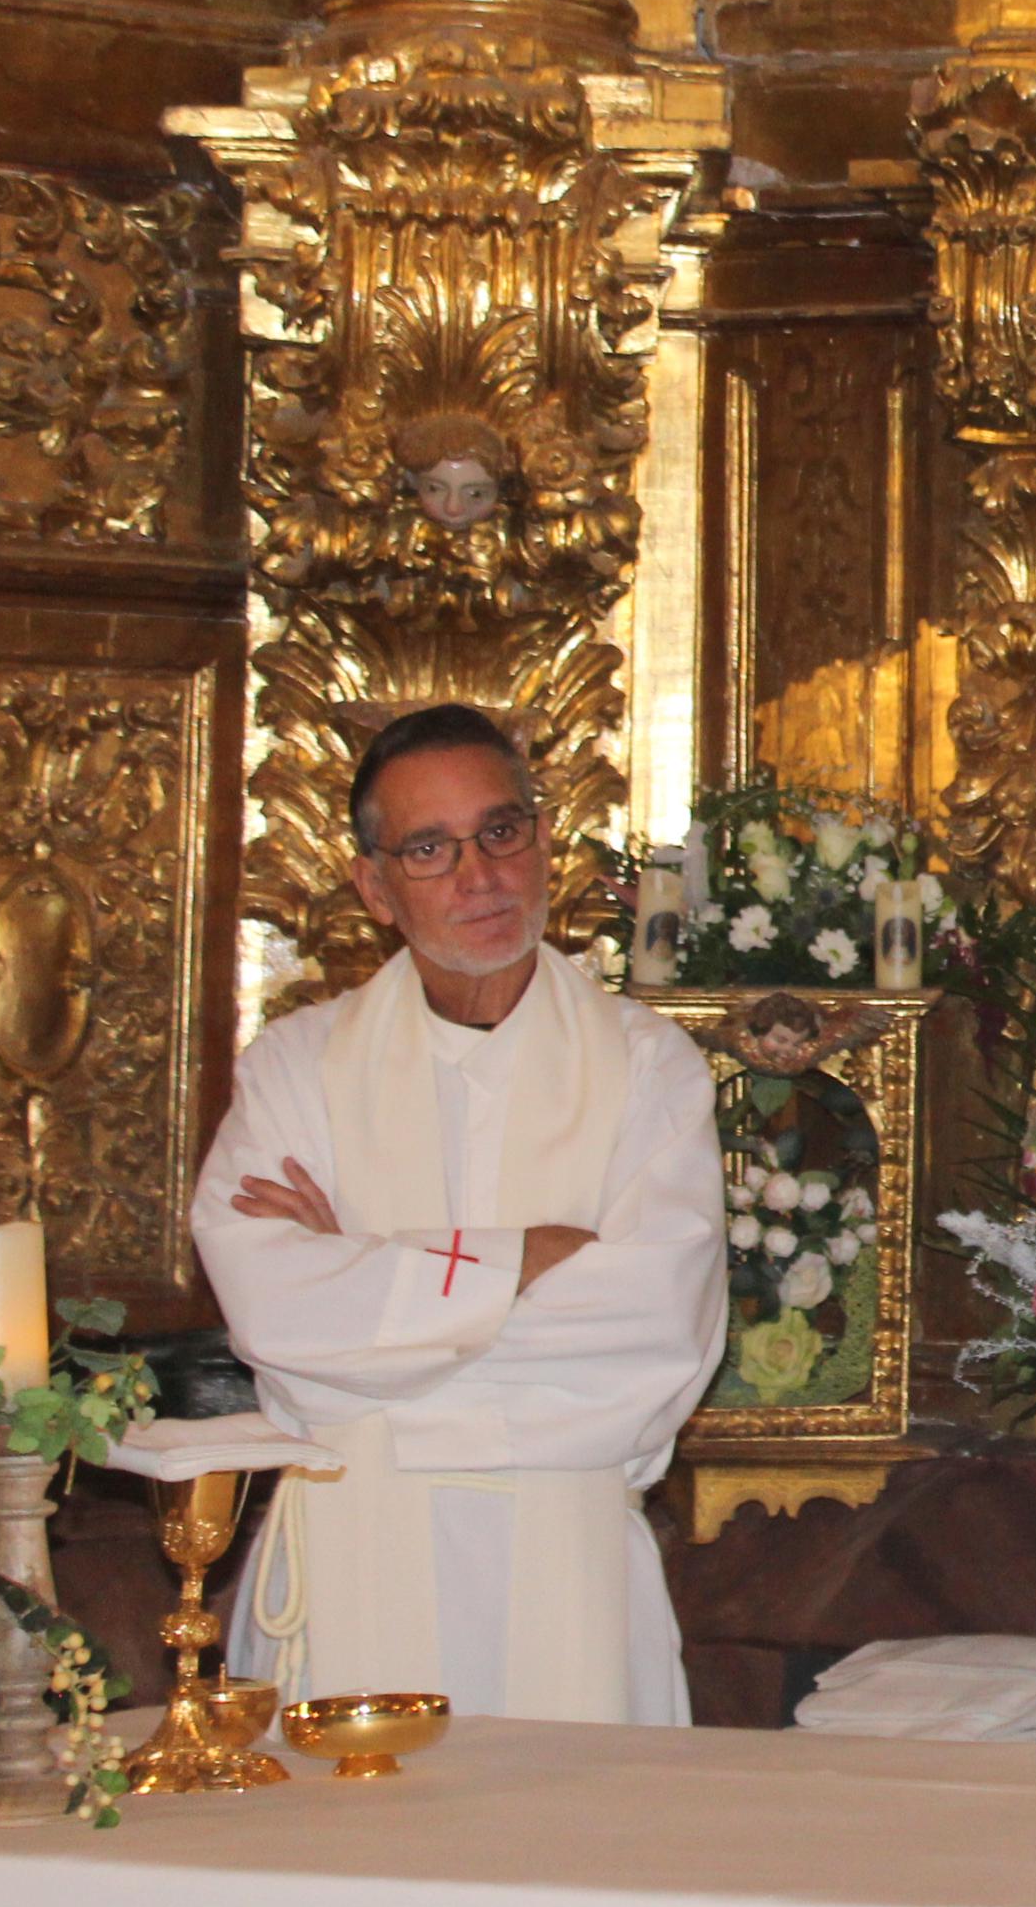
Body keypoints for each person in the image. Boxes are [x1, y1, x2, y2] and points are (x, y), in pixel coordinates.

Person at [192, 704, 726, 1723]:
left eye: (500, 831)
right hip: (353, 1545)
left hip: (569, 1561)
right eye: (429, 849)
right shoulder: (297, 1071)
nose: (478, 875)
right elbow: (277, 1321)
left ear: (543, 842)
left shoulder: (648, 1067)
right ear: (375, 888)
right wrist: (524, 1257)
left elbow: (652, 1334)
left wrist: (363, 1283)